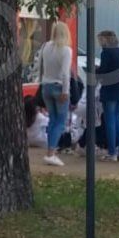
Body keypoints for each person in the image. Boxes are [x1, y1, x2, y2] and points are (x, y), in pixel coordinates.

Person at [37, 21, 72, 167]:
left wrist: (40, 83)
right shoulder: (66, 50)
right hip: (59, 86)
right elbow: (65, 73)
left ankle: (50, 150)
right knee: (60, 121)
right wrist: (66, 91)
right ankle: (51, 153)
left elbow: (40, 66)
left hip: (46, 85)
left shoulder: (45, 46)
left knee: (52, 119)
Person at [96, 30, 119, 162]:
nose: (99, 42)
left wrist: (96, 70)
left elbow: (103, 70)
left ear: (105, 39)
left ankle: (112, 152)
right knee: (118, 119)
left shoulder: (106, 52)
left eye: (100, 39)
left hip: (110, 88)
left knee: (109, 119)